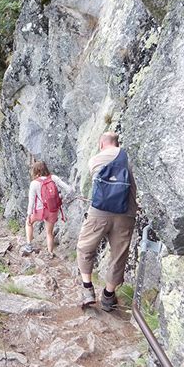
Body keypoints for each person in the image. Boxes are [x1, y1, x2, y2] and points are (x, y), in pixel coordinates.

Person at [77, 132, 137, 311]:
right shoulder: (130, 157)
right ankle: (108, 297)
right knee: (118, 255)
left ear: (102, 144)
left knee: (85, 247)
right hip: (126, 213)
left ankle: (88, 289)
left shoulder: (95, 160)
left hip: (99, 212)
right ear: (117, 142)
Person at [22, 160, 72, 258]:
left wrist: (28, 215)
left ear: (35, 171)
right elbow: (69, 189)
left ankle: (29, 245)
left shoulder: (34, 183)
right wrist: (62, 197)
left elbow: (31, 201)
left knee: (29, 223)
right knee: (49, 233)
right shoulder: (53, 178)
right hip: (53, 210)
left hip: (40, 211)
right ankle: (50, 253)